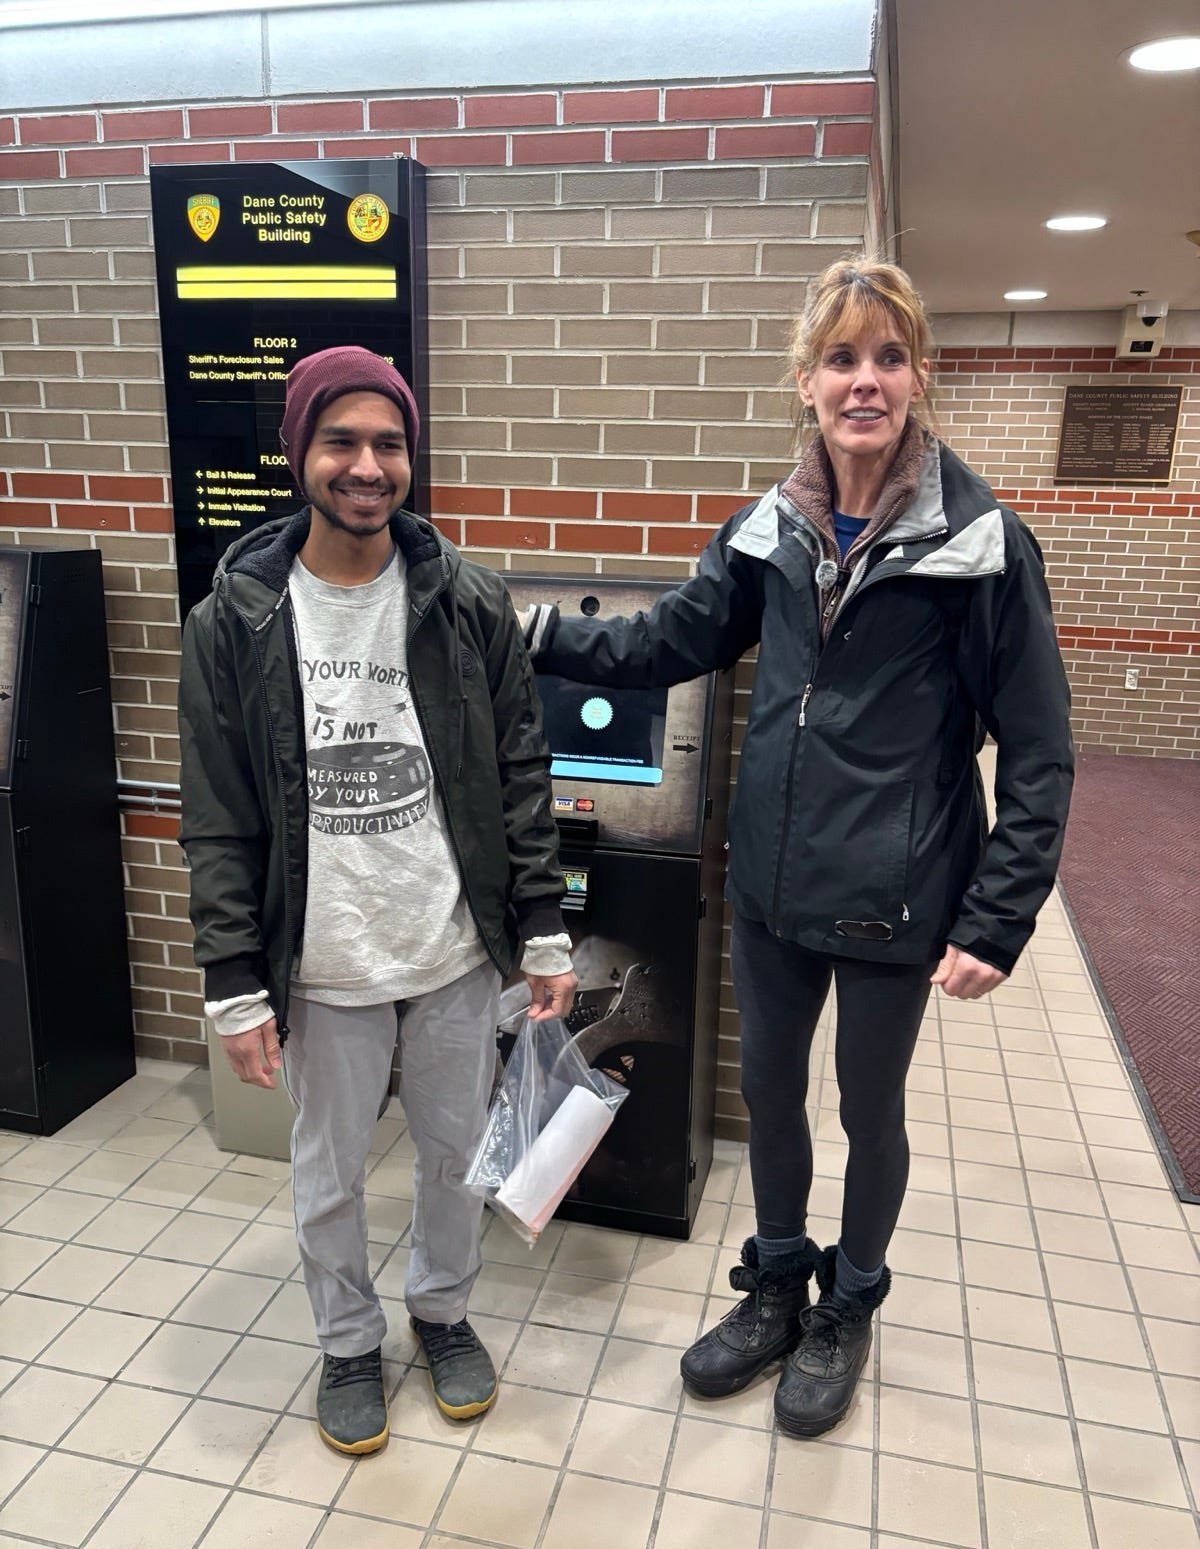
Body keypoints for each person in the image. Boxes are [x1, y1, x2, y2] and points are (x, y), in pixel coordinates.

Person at [524, 258, 1073, 1438]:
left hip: (899, 895)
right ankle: (777, 1282)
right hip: (771, 885)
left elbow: (1038, 750)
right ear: (807, 382)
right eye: (841, 358)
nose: (864, 381)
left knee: (867, 1112)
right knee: (771, 1097)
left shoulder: (981, 544)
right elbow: (673, 638)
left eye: (887, 357)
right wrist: (530, 633)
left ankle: (850, 1303)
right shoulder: (767, 529)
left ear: (919, 374)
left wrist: (998, 915)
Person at [179, 346, 576, 1455]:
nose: (367, 465)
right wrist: (233, 983)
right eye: (341, 441)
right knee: (328, 1172)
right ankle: (348, 1341)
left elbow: (518, 775)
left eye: (388, 443)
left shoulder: (466, 601)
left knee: (457, 1159)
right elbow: (215, 811)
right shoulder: (237, 620)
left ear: (411, 457)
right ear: (298, 453)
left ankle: (443, 1313)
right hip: (323, 960)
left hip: (451, 950)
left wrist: (541, 926)